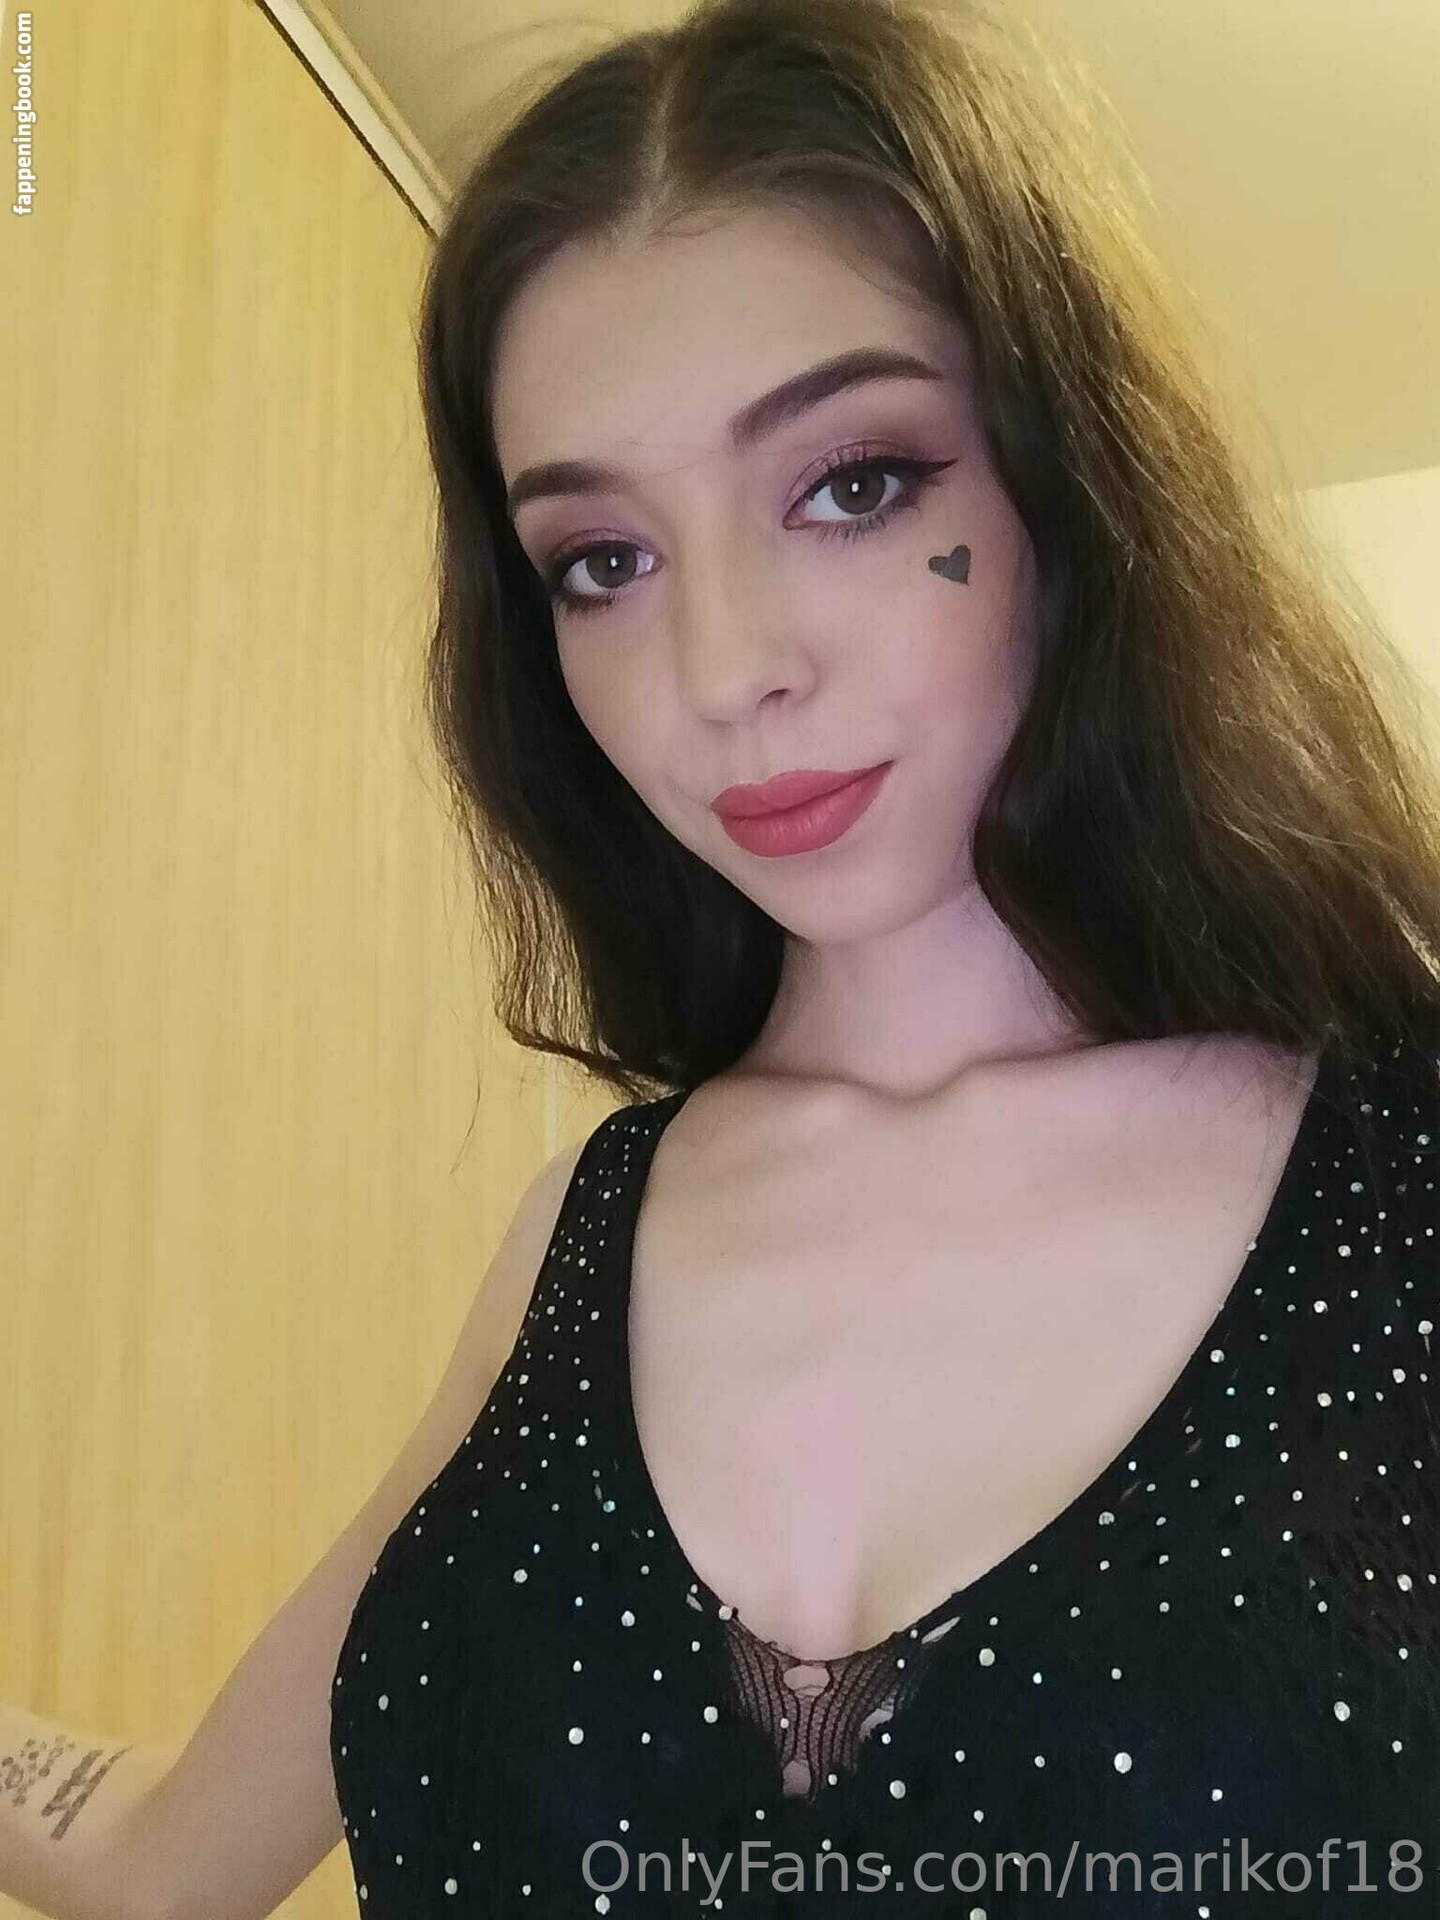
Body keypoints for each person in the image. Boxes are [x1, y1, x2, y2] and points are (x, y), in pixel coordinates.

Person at [5, 0, 1439, 1916]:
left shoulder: (1396, 1184)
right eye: (604, 560)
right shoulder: (584, 1235)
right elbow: (161, 1863)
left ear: (1067, 479)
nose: (723, 669)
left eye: (852, 483)